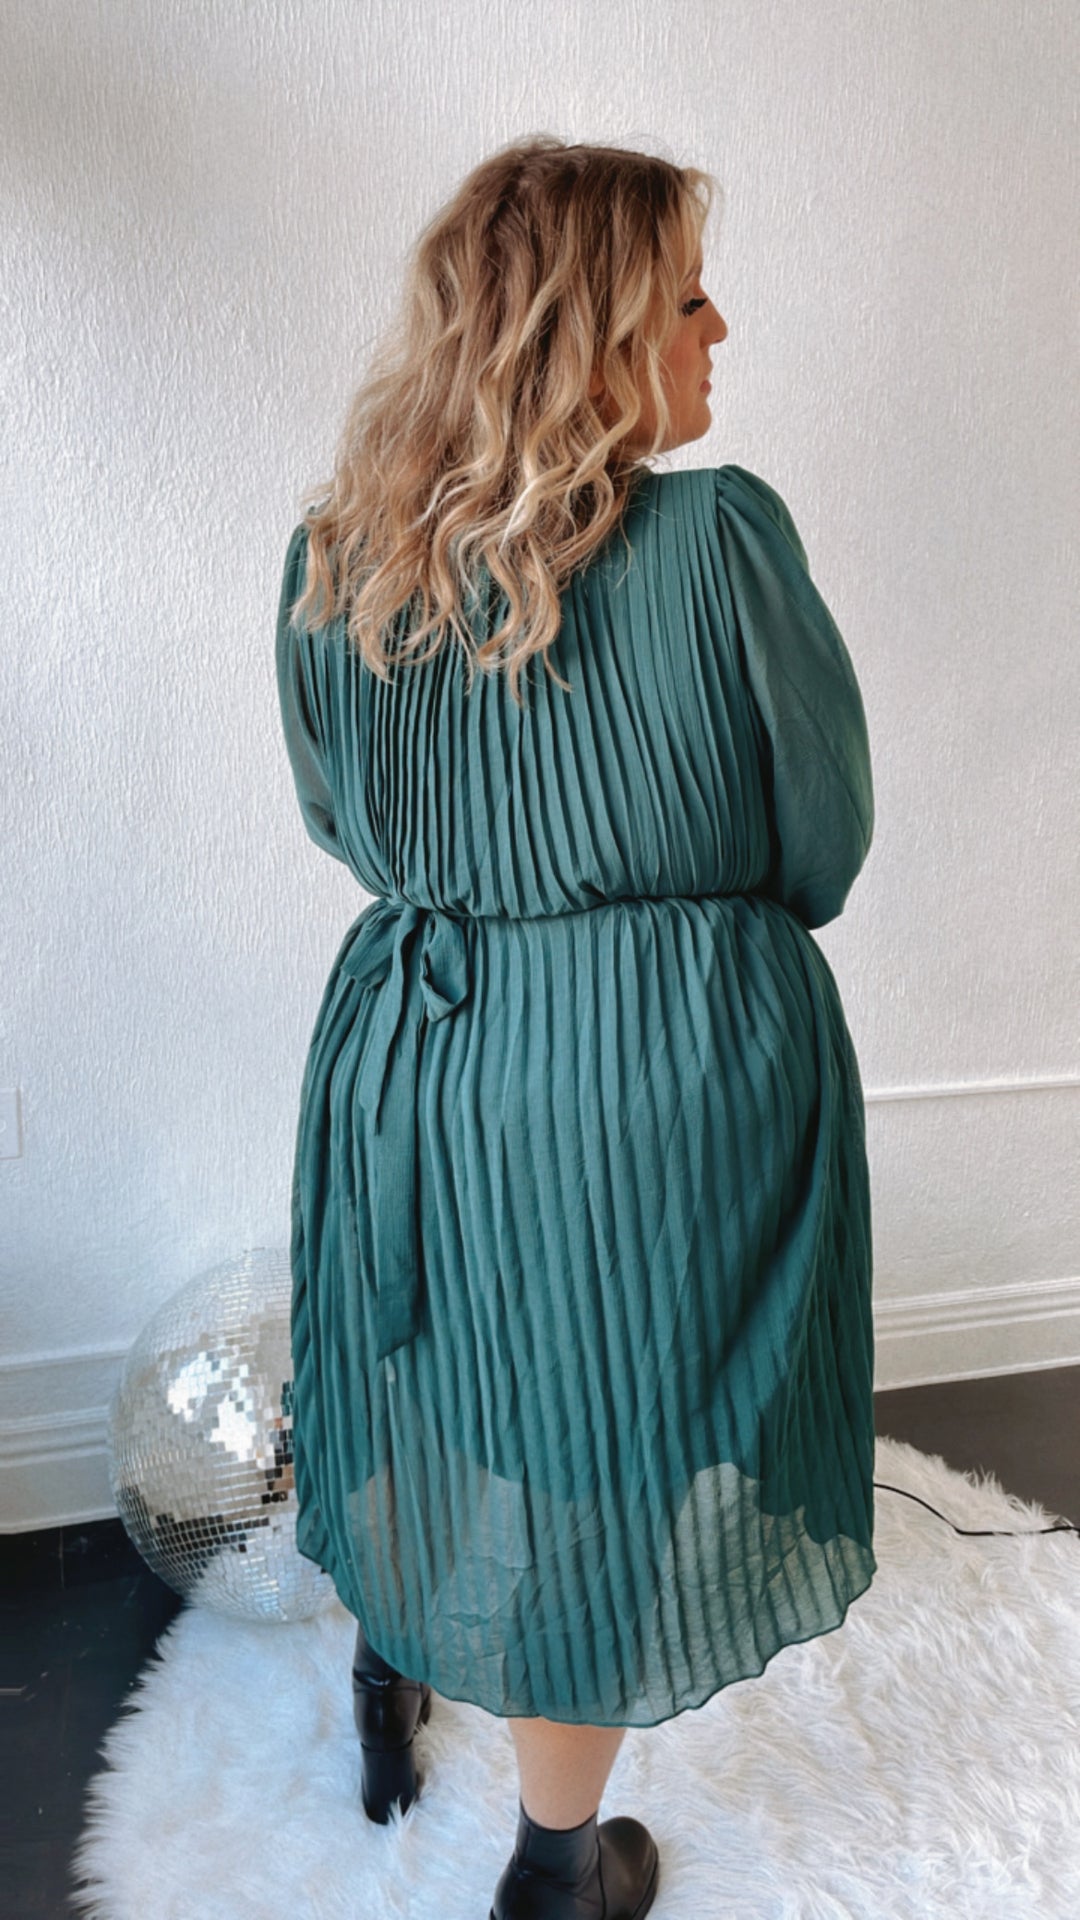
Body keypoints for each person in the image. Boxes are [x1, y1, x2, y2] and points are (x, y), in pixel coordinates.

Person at [275, 135, 876, 1920]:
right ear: (592, 338)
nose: (718, 328)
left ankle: (394, 1655)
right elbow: (823, 835)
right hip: (653, 1070)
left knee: (439, 1365)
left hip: (420, 1051)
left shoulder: (337, 560)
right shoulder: (719, 542)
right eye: (684, 297)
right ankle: (556, 1864)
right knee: (615, 1435)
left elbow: (344, 826)